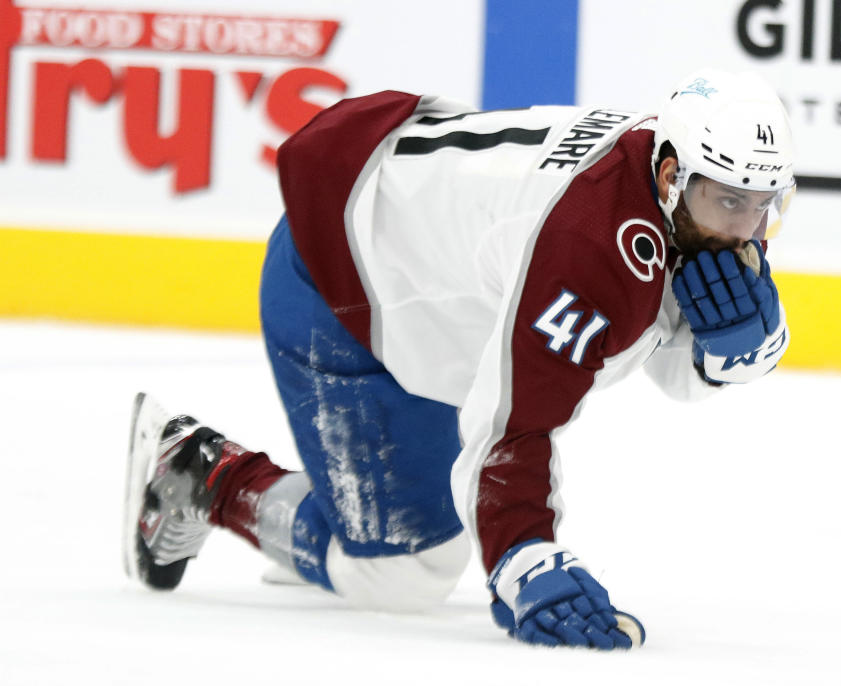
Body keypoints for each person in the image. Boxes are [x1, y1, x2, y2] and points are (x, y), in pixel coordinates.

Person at [123, 68, 795, 650]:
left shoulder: (671, 183)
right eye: (727, 202)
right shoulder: (588, 246)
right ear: (674, 175)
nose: (743, 232)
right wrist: (524, 555)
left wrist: (730, 353)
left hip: (428, 289)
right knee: (403, 573)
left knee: (402, 533)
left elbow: (658, 350)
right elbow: (512, 423)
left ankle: (348, 516)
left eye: (763, 206)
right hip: (341, 280)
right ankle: (207, 474)